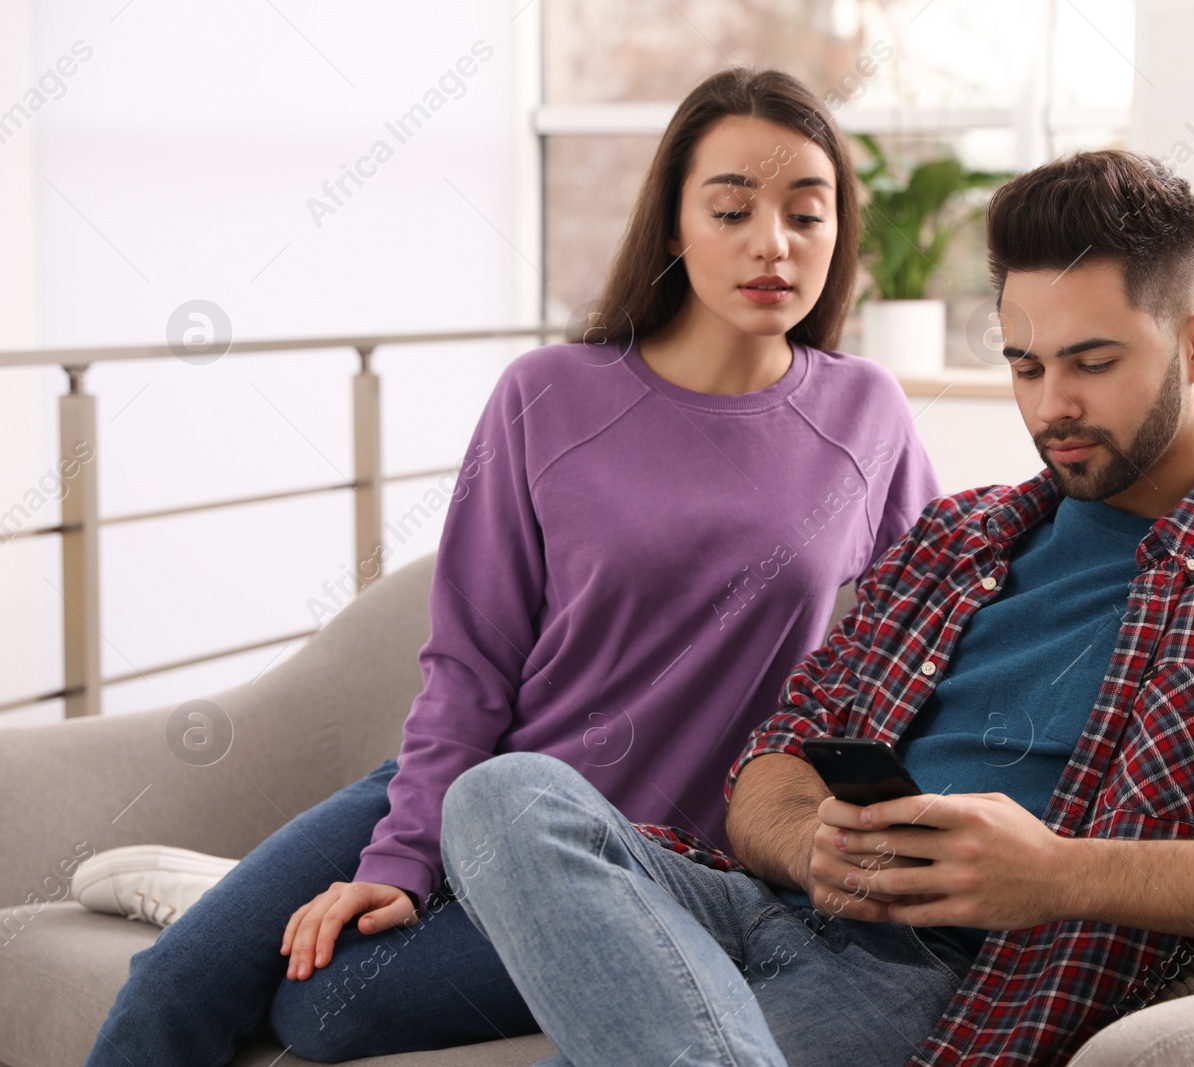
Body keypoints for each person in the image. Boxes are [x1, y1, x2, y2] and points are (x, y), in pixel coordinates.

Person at [437, 148, 1194, 1067]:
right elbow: (778, 753)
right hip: (754, 908)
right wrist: (812, 845)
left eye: (1092, 362)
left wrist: (1058, 874)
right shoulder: (957, 536)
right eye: (1024, 365)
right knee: (503, 795)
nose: (1049, 406)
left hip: (939, 974)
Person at [80, 67, 940, 1066]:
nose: (773, 244)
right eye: (732, 209)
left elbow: (924, 641)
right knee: (180, 978)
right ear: (673, 226)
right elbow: (471, 661)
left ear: (838, 236)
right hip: (468, 788)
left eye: (806, 213)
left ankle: (220, 887)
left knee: (325, 1009)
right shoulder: (548, 393)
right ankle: (221, 899)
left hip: (639, 862)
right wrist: (401, 858)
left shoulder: (864, 413)